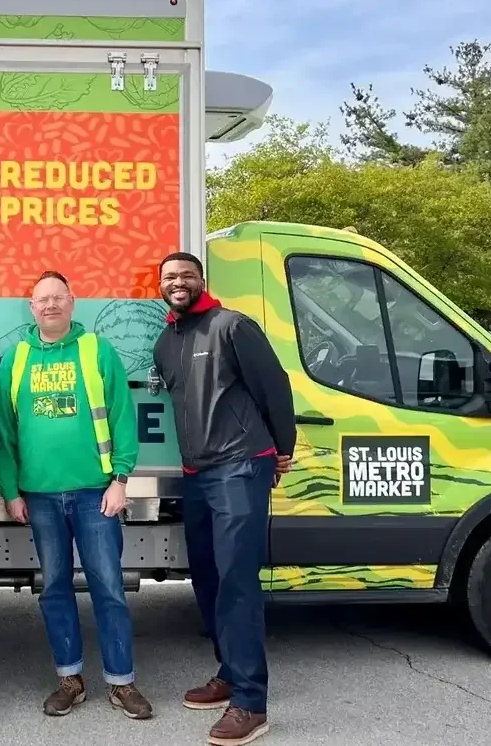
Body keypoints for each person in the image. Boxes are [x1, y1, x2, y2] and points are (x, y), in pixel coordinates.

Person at [0, 271, 154, 721]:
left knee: (108, 588)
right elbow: (2, 432)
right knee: (55, 589)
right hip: (39, 497)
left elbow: (123, 416)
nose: (50, 306)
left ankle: (122, 684)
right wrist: (10, 492)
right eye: (42, 300)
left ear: (72, 302)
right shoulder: (16, 358)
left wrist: (121, 479)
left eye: (57, 298)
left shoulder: (96, 350)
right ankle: (70, 680)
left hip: (94, 493)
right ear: (31, 307)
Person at [152, 251, 296, 746]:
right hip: (197, 474)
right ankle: (230, 672)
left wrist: (282, 447)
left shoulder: (233, 326)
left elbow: (274, 388)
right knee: (208, 578)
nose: (177, 282)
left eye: (185, 276)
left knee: (237, 580)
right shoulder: (165, 342)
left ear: (201, 281)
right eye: (169, 277)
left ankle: (251, 703)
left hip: (240, 465)